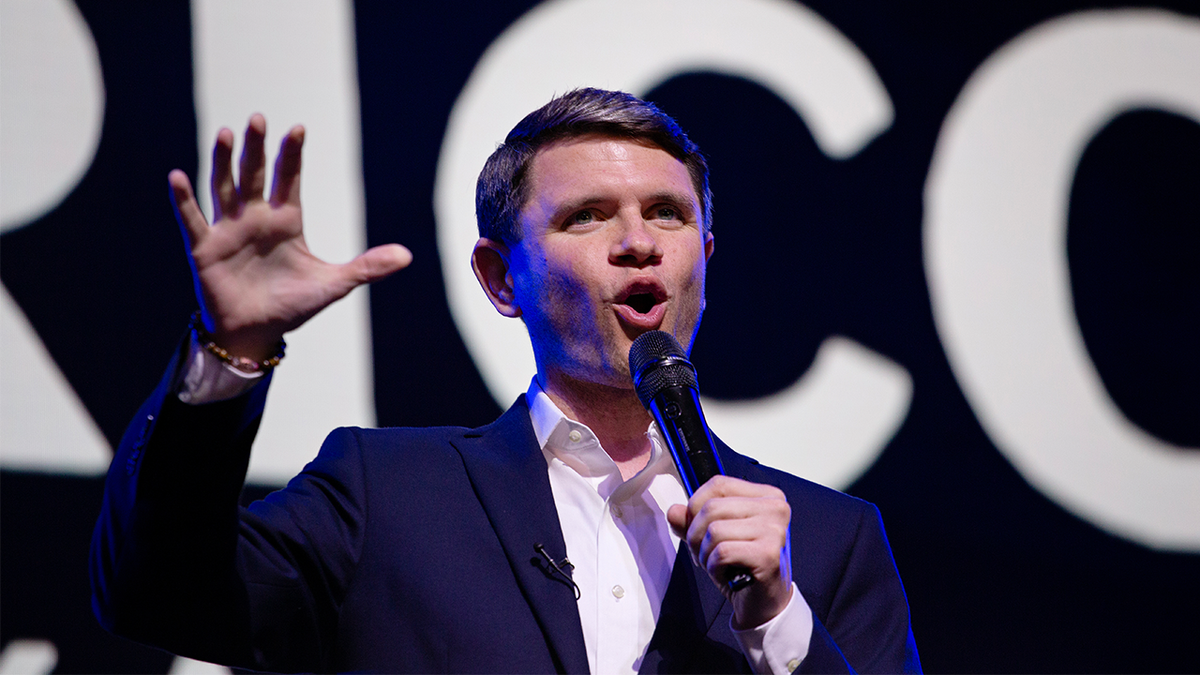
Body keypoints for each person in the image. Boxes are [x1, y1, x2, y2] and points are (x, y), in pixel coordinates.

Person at [91, 88, 920, 674]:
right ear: (499, 279)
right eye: (586, 215)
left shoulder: (828, 540)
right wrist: (228, 353)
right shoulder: (385, 496)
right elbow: (155, 594)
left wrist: (777, 620)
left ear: (704, 257)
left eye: (668, 213)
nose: (639, 241)